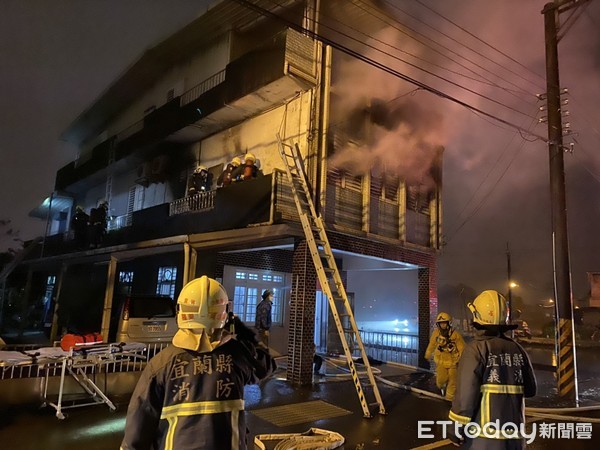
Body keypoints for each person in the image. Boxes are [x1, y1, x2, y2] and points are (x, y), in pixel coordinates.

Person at [121, 276, 276, 450]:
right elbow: (266, 366)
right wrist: (242, 331)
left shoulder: (161, 364)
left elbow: (138, 427)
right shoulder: (238, 356)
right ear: (224, 314)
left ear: (181, 311)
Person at [448, 290, 537, 449]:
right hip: (515, 440)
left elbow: (466, 397)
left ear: (477, 315)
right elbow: (531, 390)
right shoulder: (517, 349)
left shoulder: (476, 349)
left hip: (483, 440)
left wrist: (456, 428)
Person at [425, 312, 464, 401]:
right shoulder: (436, 334)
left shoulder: (455, 335)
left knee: (453, 381)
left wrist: (461, 358)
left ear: (448, 323)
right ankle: (442, 386)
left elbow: (462, 347)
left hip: (453, 362)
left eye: (444, 323)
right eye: (441, 323)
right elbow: (432, 345)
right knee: (441, 380)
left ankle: (449, 398)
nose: (443, 325)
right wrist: (428, 354)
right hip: (441, 361)